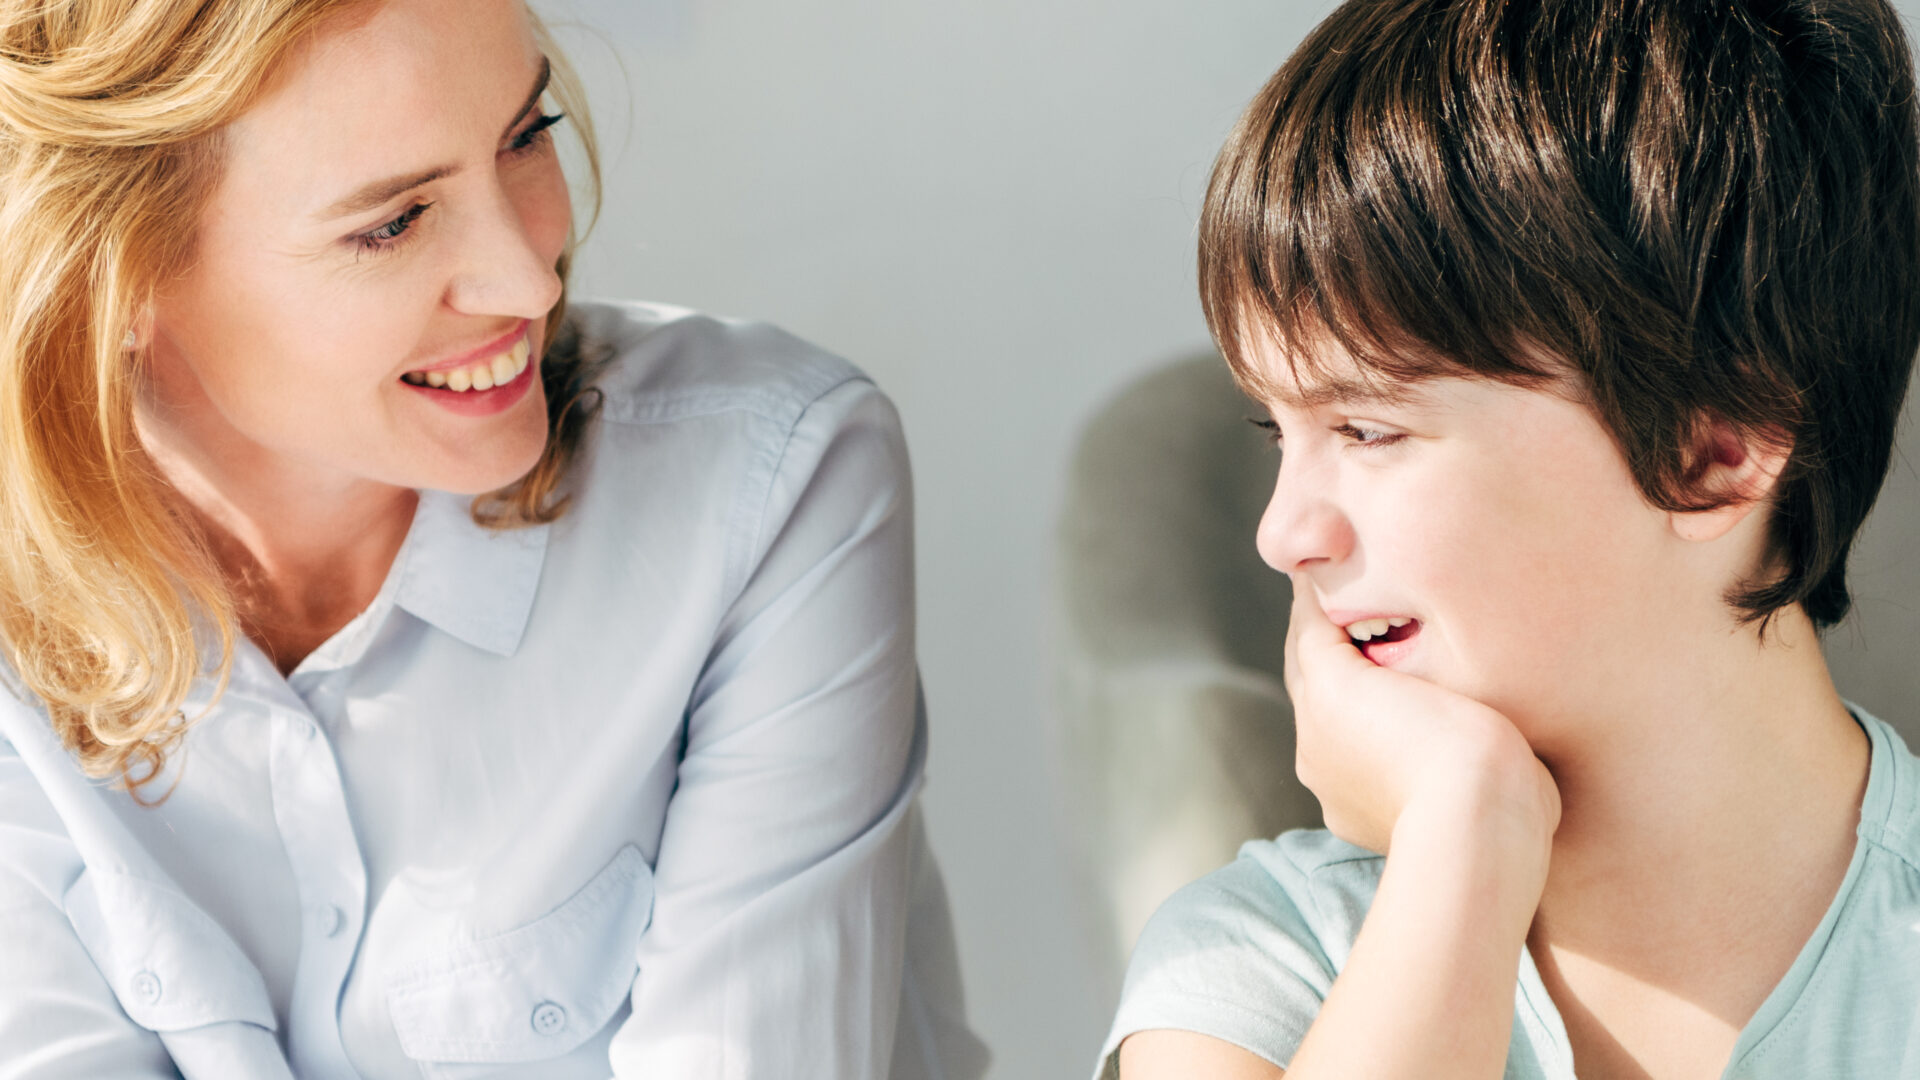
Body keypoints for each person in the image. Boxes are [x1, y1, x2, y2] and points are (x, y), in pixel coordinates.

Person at [0, 1, 985, 1077]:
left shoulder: (770, 481)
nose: (531, 278)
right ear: (114, 271)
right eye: (393, 221)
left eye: (527, 134)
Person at [1100, 1, 1920, 1078]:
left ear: (1709, 453)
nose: (1282, 533)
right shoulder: (1259, 967)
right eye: (1279, 431)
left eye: (1367, 427)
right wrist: (1465, 828)